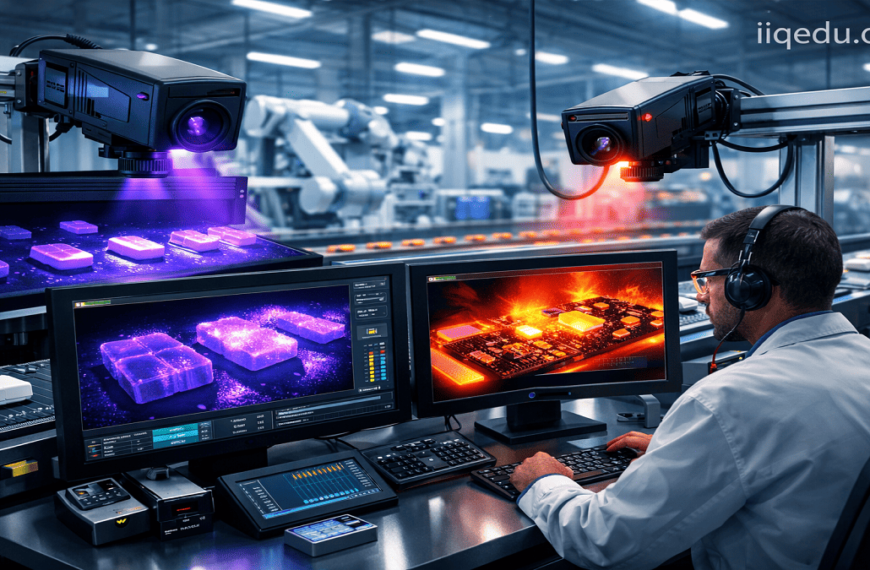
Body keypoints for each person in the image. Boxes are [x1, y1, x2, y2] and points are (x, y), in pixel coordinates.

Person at [509, 206, 870, 570]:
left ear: (749, 287)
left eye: (708, 278)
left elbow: (603, 541)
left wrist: (545, 482)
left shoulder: (728, 401)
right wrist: (684, 450)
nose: (701, 295)